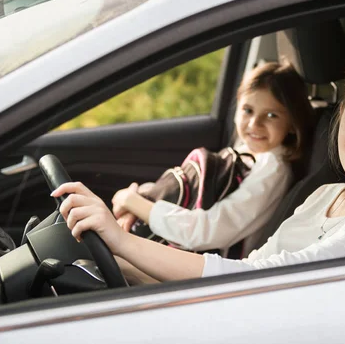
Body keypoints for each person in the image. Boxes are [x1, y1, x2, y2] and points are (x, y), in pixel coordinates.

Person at [52, 53, 345, 282]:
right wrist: (130, 266)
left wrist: (123, 241)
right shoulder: (326, 193)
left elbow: (266, 280)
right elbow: (253, 265)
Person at [109, 61, 315, 254]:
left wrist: (131, 200)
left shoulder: (272, 169)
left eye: (272, 115)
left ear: (292, 123)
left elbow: (205, 232)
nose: (254, 124)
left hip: (209, 266)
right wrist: (140, 201)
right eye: (247, 110)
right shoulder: (249, 152)